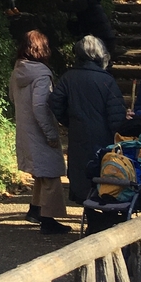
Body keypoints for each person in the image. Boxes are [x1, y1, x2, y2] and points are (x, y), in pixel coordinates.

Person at [49, 35, 125, 204]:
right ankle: (104, 217)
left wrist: (69, 120)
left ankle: (89, 214)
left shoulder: (69, 77)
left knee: (81, 175)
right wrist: (118, 136)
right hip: (103, 136)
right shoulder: (106, 80)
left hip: (78, 134)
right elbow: (116, 115)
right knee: (103, 173)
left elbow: (55, 101)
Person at [9, 28, 69, 234]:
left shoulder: (18, 71)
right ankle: (49, 218)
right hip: (40, 131)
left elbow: (12, 98)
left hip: (24, 129)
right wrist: (51, 134)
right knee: (51, 174)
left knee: (40, 173)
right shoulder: (42, 74)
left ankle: (35, 209)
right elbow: (40, 106)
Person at [52, 0, 116, 55]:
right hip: (105, 37)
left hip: (99, 39)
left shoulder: (83, 0)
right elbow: (72, 6)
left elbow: (64, 7)